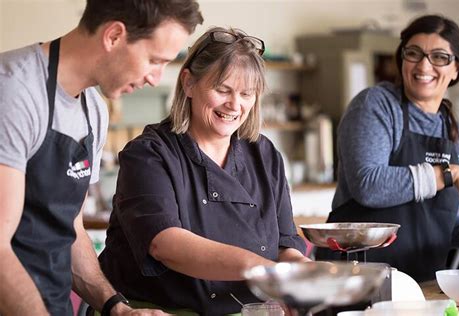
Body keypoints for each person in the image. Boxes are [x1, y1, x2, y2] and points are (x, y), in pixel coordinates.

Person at [0, 1, 203, 315]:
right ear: (114, 36)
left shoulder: (93, 110)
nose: (155, 77)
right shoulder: (14, 90)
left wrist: (116, 308)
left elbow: (70, 229)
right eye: (154, 60)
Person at [98, 26, 310, 315]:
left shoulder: (264, 154)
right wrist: (263, 270)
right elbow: (165, 243)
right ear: (188, 83)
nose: (235, 104)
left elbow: (286, 245)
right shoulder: (149, 154)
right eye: (222, 89)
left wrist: (307, 274)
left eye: (246, 94)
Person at [316, 14, 459, 282]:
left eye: (439, 56)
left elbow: (438, 224)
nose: (424, 65)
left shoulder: (457, 135)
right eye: (414, 53)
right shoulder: (376, 105)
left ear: (456, 69)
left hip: (422, 283)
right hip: (357, 278)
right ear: (401, 59)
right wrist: (448, 174)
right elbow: (369, 185)